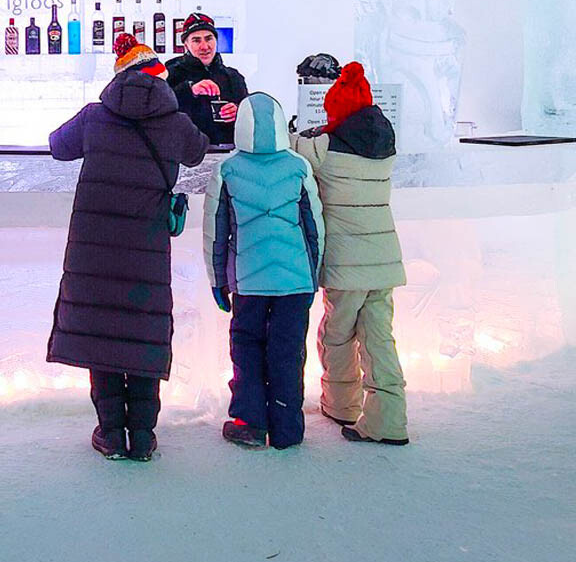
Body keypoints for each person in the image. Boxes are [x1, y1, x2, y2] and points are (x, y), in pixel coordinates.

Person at [48, 34, 209, 461]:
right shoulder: (173, 121)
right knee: (141, 328)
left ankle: (111, 433)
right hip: (146, 245)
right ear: (159, 77)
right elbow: (197, 152)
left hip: (94, 247)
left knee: (103, 330)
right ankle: (142, 434)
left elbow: (56, 147)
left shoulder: (94, 116)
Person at [292, 62, 409, 445]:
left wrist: (301, 130)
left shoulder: (324, 148)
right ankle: (388, 420)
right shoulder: (385, 143)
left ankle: (341, 404)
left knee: (338, 334)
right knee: (380, 338)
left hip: (346, 262)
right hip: (384, 258)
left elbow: (290, 147)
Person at [203, 92, 325, 450]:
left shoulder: (227, 169)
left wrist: (217, 281)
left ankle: (251, 422)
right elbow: (314, 225)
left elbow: (216, 231)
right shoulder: (298, 166)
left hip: (248, 282)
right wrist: (313, 275)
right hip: (295, 281)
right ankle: (288, 429)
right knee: (288, 352)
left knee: (247, 348)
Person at [165, 13, 249, 146]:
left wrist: (238, 111)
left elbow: (250, 118)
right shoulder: (169, 73)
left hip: (227, 155)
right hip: (184, 156)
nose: (204, 46)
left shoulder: (233, 77)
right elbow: (161, 111)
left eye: (209, 38)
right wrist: (189, 90)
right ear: (186, 45)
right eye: (196, 40)